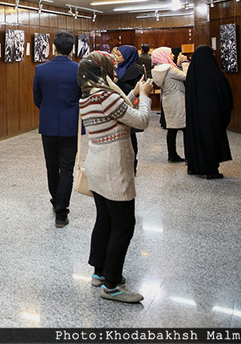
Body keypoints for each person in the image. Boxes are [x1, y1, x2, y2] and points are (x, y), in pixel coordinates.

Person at [78, 52, 153, 304]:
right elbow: (140, 121)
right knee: (123, 225)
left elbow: (118, 110)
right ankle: (111, 284)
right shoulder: (107, 97)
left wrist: (132, 94)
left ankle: (99, 272)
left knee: (105, 220)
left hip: (98, 165)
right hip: (114, 168)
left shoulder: (89, 96)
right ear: (104, 71)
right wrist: (144, 96)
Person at [32, 32, 80, 228]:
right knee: (67, 169)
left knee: (51, 166)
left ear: (54, 47)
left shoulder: (41, 70)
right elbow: (83, 96)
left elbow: (37, 97)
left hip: (49, 124)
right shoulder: (79, 69)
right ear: (72, 49)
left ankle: (56, 200)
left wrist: (48, 109)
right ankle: (62, 212)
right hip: (71, 125)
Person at [184, 45, 233, 179]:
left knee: (195, 138)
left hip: (195, 116)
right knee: (211, 139)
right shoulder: (215, 74)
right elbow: (226, 96)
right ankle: (211, 169)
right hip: (212, 116)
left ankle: (194, 166)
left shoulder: (192, 75)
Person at [151, 47, 189, 163]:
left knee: (172, 129)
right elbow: (187, 76)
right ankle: (189, 156)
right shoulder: (169, 68)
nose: (173, 56)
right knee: (185, 128)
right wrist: (185, 63)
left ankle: (172, 154)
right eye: (171, 54)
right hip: (177, 99)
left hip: (167, 99)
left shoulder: (158, 69)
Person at [113, 45, 145, 175]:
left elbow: (136, 89)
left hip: (130, 106)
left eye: (119, 55)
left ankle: (132, 164)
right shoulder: (118, 68)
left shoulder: (135, 69)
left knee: (130, 138)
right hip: (117, 106)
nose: (116, 57)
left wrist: (118, 82)